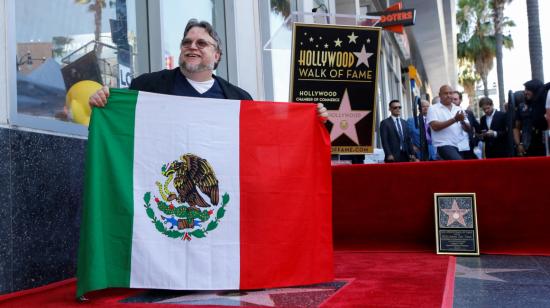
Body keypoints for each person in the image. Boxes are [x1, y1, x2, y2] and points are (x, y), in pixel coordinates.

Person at [89, 19, 329, 119]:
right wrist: (101, 103)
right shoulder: (146, 86)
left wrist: (311, 120)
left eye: (201, 43)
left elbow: (266, 142)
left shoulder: (240, 99)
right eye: (186, 42)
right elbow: (118, 127)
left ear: (217, 55)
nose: (192, 47)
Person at [426, 85, 471, 160]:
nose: (448, 95)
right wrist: (455, 119)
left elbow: (468, 129)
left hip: (460, 146)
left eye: (450, 93)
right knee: (460, 165)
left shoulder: (458, 109)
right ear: (440, 95)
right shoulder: (433, 108)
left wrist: (462, 121)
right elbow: (435, 127)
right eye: (445, 93)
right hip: (443, 145)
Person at [513, 79, 548, 157]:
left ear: (535, 90)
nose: (525, 92)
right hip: (527, 146)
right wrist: (518, 144)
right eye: (525, 89)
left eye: (528, 90)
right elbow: (516, 127)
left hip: (545, 144)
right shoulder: (522, 107)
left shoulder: (546, 105)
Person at [451, 91, 479, 159]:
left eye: (455, 99)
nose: (453, 101)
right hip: (453, 147)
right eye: (451, 99)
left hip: (468, 147)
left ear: (460, 100)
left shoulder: (468, 113)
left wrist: (475, 141)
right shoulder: (445, 114)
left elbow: (478, 128)